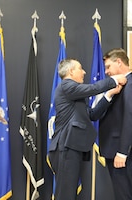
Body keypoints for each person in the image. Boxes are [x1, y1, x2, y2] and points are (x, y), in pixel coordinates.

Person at [47, 58, 126, 200]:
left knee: (68, 193)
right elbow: (93, 89)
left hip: (71, 147)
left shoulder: (74, 93)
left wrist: (109, 95)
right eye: (80, 68)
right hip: (65, 147)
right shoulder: (67, 86)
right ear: (71, 71)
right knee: (65, 195)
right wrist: (114, 79)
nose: (84, 72)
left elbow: (92, 115)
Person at [91, 48, 132, 200]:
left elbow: (131, 120)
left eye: (108, 67)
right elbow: (96, 114)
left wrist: (123, 152)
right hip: (115, 151)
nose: (107, 72)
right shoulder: (119, 86)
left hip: (123, 153)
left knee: (124, 195)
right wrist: (109, 94)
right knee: (124, 193)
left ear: (119, 62)